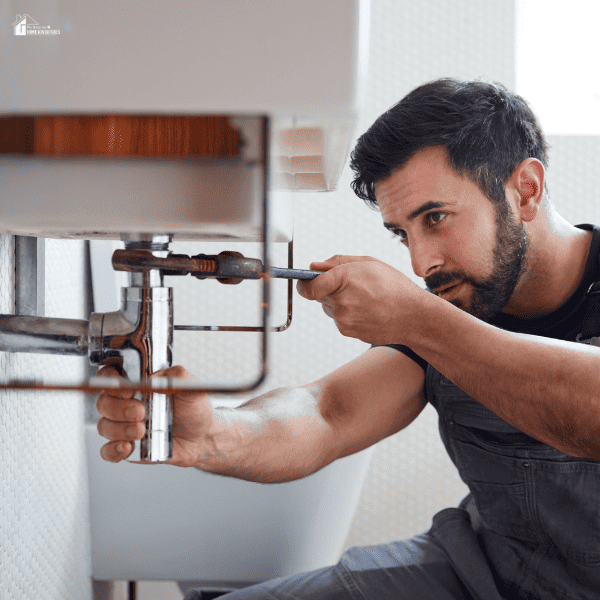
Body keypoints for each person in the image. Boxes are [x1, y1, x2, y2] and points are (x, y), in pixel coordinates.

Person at [96, 78, 600, 599]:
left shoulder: (435, 317)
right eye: (403, 233)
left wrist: (418, 317)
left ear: (526, 190)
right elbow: (329, 411)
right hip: (474, 574)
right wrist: (217, 435)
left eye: (435, 217)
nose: (421, 262)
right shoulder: (455, 304)